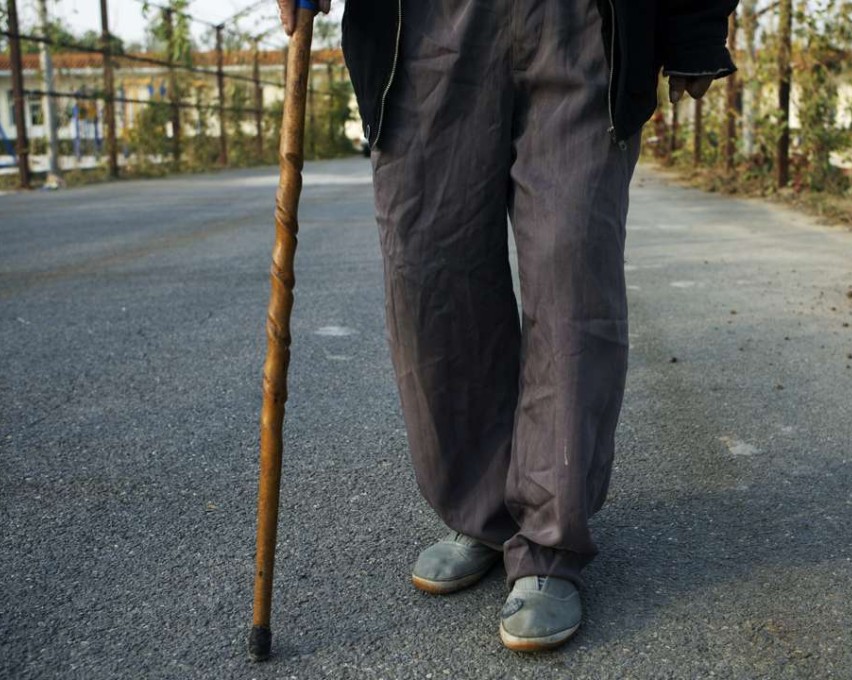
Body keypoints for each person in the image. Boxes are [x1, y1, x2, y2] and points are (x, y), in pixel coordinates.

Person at [278, 0, 738, 652]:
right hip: (425, 27)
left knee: (571, 271)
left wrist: (695, 24)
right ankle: (484, 512)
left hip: (584, 25)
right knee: (431, 274)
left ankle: (550, 539)